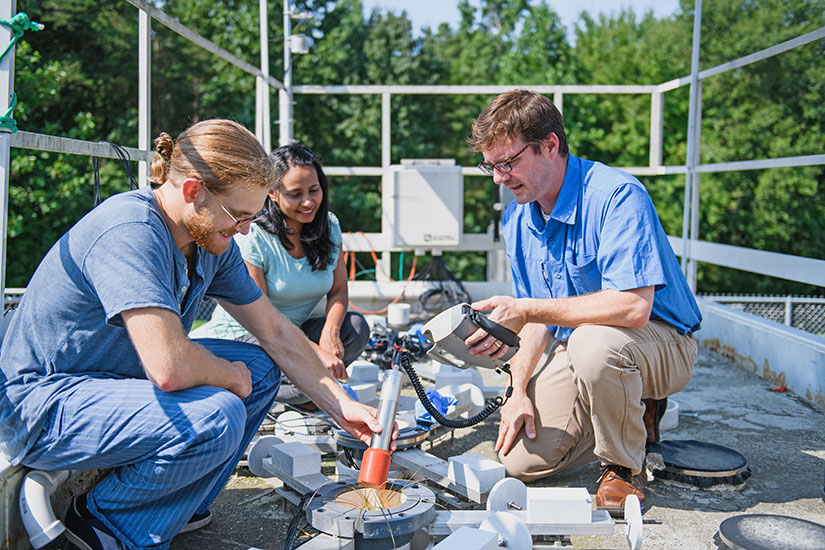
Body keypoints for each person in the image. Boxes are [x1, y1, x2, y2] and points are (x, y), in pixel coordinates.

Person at [0, 120, 386, 550]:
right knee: (217, 413)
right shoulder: (130, 230)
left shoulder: (206, 239)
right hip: (44, 405)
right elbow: (169, 368)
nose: (244, 229)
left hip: (111, 383)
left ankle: (180, 506)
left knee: (261, 366)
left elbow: (274, 329)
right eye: (238, 215)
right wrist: (229, 376)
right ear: (192, 190)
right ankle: (107, 525)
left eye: (250, 217)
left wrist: (340, 404)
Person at [465, 90, 701, 515]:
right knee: (522, 463)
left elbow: (633, 308)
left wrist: (530, 310)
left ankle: (624, 468)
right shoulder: (518, 216)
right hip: (587, 346)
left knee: (594, 345)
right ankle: (626, 410)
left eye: (508, 163)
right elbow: (535, 319)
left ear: (550, 146)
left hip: (662, 342)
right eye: (491, 165)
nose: (498, 178)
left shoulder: (617, 196)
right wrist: (517, 390)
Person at [197, 144, 369, 407]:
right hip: (253, 333)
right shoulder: (253, 236)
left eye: (314, 190)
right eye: (295, 194)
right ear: (273, 194)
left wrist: (330, 333)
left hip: (297, 332)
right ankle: (299, 392)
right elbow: (263, 318)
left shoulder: (329, 225)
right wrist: (318, 354)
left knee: (355, 328)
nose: (308, 202)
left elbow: (338, 291)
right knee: (309, 377)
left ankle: (299, 391)